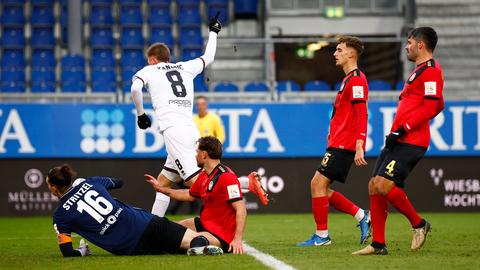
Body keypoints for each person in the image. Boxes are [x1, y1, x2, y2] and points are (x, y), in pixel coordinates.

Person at [130, 13, 268, 217]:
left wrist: (141, 115)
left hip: (174, 133)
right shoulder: (185, 67)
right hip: (189, 129)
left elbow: (134, 89)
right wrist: (213, 32)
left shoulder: (149, 70)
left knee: (201, 185)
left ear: (152, 59)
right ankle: (153, 224)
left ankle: (246, 182)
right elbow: (209, 57)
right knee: (163, 183)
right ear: (168, 58)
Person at [353, 27, 444, 255]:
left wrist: (404, 128)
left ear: (421, 45)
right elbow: (438, 103)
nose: (407, 46)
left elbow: (433, 106)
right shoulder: (420, 71)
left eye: (410, 42)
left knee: (384, 185)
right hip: (399, 138)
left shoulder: (431, 70)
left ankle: (419, 224)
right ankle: (378, 245)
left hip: (411, 140)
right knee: (374, 186)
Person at [47, 164, 223, 257]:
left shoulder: (61, 215)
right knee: (193, 239)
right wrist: (88, 183)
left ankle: (202, 239)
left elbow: (68, 252)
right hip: (142, 223)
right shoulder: (91, 182)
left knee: (175, 242)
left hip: (131, 248)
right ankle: (224, 243)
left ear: (54, 188)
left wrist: (82, 252)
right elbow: (119, 182)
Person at [297, 36, 371, 247]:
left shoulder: (356, 79)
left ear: (351, 54)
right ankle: (361, 215)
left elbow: (362, 114)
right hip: (338, 142)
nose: (335, 53)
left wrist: (359, 145)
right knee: (320, 187)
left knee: (317, 184)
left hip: (344, 144)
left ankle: (322, 236)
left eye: (339, 50)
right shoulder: (348, 79)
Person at [146, 136, 246, 254]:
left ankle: (205, 247)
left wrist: (237, 240)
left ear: (204, 154)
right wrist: (162, 189)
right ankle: (199, 247)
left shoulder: (227, 177)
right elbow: (189, 194)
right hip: (204, 223)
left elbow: (241, 208)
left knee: (195, 241)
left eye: (197, 152)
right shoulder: (205, 175)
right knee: (168, 230)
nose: (195, 156)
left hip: (220, 235)